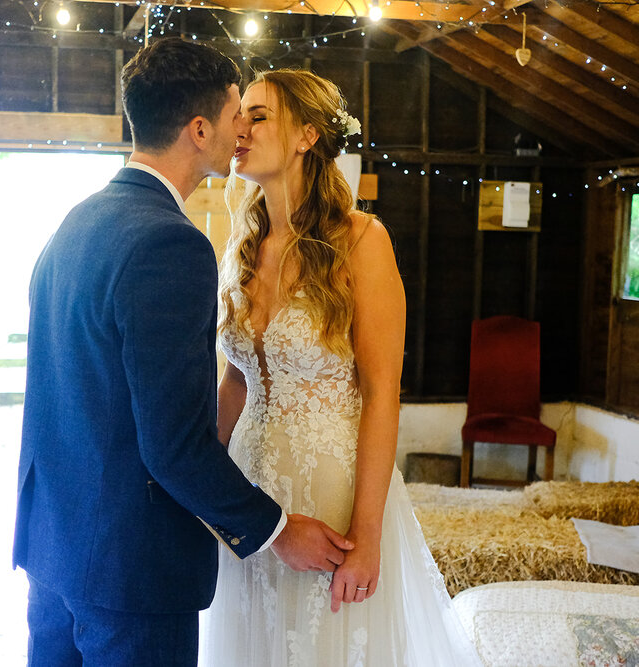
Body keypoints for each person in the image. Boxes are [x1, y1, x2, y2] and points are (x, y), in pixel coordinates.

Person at [13, 39, 354, 667]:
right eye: (234, 116)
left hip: (54, 554)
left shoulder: (74, 224)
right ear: (199, 130)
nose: (241, 131)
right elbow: (171, 444)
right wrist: (277, 531)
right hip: (130, 575)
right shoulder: (170, 245)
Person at [201, 69, 484, 666]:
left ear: (306, 135)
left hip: (331, 491)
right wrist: (204, 482)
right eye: (239, 115)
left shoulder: (362, 240)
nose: (240, 129)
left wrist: (368, 538)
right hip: (250, 495)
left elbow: (383, 395)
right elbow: (235, 378)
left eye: (258, 116)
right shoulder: (240, 245)